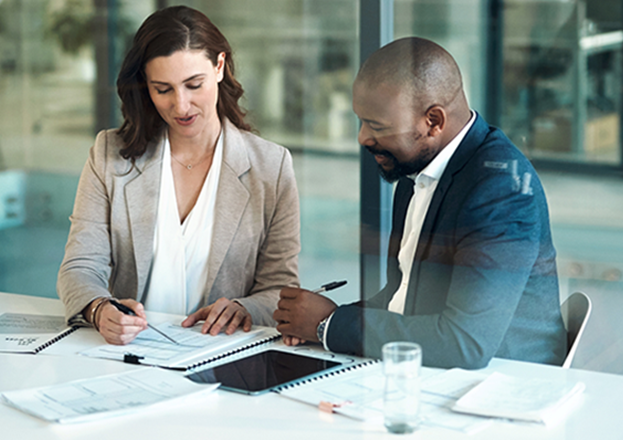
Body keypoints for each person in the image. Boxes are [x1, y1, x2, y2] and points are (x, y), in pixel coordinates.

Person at [274, 37, 566, 369]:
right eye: (361, 120)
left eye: (377, 126)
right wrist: (322, 320)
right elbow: (404, 295)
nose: (362, 138)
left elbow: (464, 343)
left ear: (434, 122)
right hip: (436, 375)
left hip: (503, 386)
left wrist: (330, 325)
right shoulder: (418, 169)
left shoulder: (501, 190)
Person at [58, 6, 299, 345]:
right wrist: (99, 309)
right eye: (163, 89)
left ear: (219, 66)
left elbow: (280, 288)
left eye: (193, 85)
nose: (181, 106)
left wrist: (245, 309)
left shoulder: (271, 167)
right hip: (129, 354)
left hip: (223, 357)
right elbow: (79, 267)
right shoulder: (109, 155)